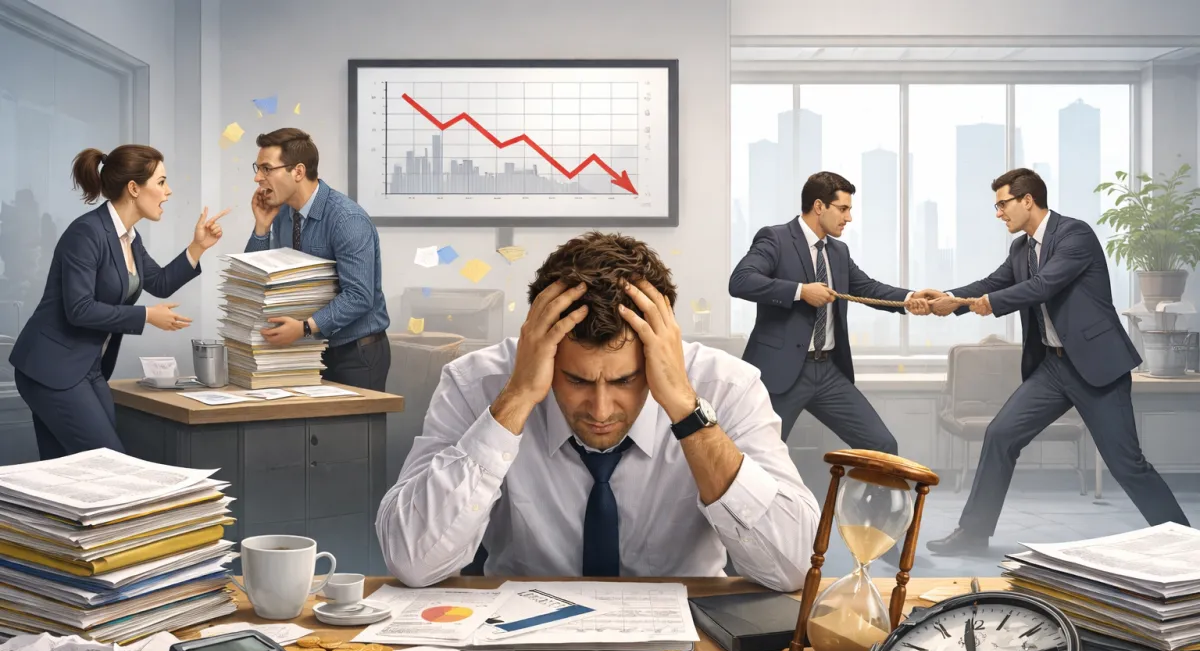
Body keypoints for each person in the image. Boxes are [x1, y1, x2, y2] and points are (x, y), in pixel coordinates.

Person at [376, 232, 820, 591]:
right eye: (577, 380)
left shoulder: (727, 386)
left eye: (625, 380)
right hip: (522, 634)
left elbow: (794, 566)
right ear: (542, 351)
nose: (602, 409)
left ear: (658, 354)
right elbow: (413, 559)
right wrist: (515, 399)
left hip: (693, 639)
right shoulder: (476, 383)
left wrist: (687, 411)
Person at [922, 168, 1190, 556]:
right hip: (1052, 367)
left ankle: (1182, 541)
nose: (998, 213)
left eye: (1002, 204)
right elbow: (992, 284)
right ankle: (973, 533)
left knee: (1126, 463)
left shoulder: (1074, 235)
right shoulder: (1020, 249)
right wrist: (945, 299)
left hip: (1097, 367)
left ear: (1027, 199)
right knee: (1001, 434)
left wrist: (988, 305)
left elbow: (1042, 286)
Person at [8, 145, 226, 460]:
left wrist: (198, 246)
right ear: (134, 188)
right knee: (109, 463)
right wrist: (147, 316)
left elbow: (160, 283)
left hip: (87, 367)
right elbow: (79, 309)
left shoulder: (129, 238)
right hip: (51, 367)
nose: (169, 191)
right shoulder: (87, 233)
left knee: (68, 472)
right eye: (162, 182)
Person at [729, 171, 930, 450]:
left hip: (827, 372)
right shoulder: (775, 239)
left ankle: (867, 496)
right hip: (782, 373)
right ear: (819, 206)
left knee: (883, 446)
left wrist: (911, 297)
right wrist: (801, 291)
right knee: (757, 456)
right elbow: (741, 281)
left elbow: (868, 289)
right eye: (843, 209)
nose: (848, 218)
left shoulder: (838, 251)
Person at [244, 128, 391, 390]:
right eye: (258, 168)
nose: (258, 178)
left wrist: (305, 328)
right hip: (309, 349)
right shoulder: (283, 215)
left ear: (298, 172)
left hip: (355, 354)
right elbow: (257, 281)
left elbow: (359, 295)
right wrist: (261, 228)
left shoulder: (347, 220)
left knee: (350, 433)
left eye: (267, 169)